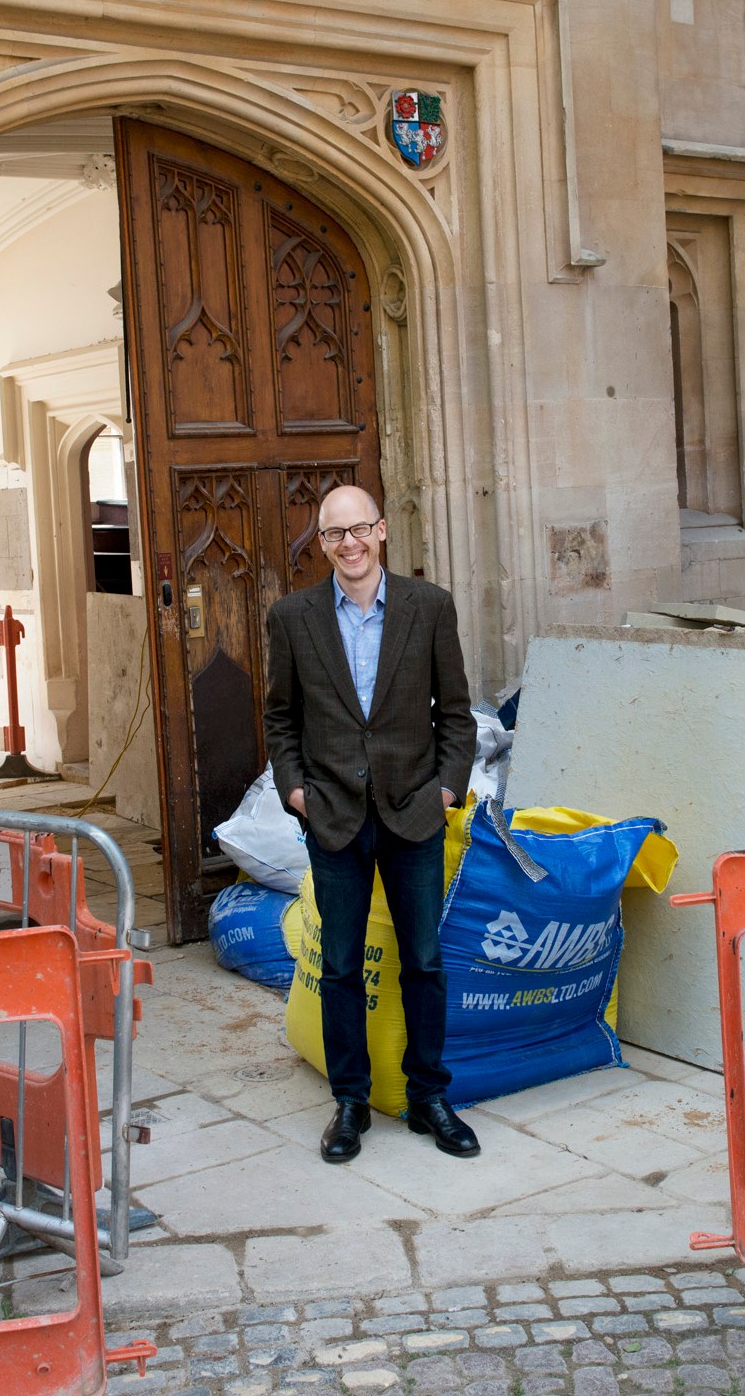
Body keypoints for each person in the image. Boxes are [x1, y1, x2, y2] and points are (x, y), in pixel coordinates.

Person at [263, 484, 480, 1164]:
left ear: (382, 531)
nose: (348, 543)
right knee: (340, 967)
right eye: (334, 534)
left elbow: (458, 715)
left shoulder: (429, 607)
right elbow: (280, 717)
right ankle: (351, 1102)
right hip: (332, 818)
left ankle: (428, 1098)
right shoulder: (293, 619)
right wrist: (296, 792)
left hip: (414, 811)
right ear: (320, 543)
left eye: (359, 529)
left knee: (423, 960)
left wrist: (445, 792)